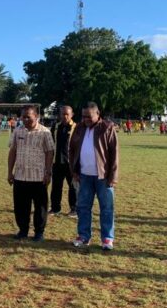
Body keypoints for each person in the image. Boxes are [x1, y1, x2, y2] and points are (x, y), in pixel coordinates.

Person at [69, 102, 119, 251]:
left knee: (107, 208)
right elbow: (72, 150)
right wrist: (74, 171)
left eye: (89, 116)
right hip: (84, 176)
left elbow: (114, 153)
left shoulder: (107, 128)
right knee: (83, 207)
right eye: (83, 116)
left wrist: (113, 176)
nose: (86, 119)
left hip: (103, 177)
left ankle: (107, 238)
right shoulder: (79, 128)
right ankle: (83, 236)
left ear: (98, 114)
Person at [7, 105, 54, 242]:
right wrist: (10, 172)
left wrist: (48, 172)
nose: (26, 119)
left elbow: (50, 152)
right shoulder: (18, 131)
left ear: (36, 116)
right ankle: (23, 230)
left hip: (38, 177)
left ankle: (39, 232)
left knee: (40, 207)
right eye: (23, 117)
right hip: (20, 176)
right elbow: (13, 151)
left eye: (29, 117)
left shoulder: (45, 132)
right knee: (21, 207)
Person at [49, 105, 77, 217]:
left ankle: (74, 209)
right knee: (56, 187)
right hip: (57, 162)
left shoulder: (77, 127)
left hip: (71, 164)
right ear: (59, 115)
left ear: (72, 115)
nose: (65, 116)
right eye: (63, 114)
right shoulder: (55, 127)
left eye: (67, 114)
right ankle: (55, 208)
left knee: (73, 187)